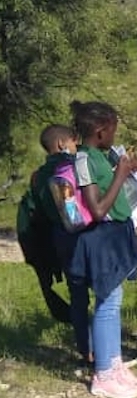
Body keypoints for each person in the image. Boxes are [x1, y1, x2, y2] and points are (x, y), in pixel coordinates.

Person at [64, 101, 137, 398]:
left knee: (114, 300)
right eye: (113, 130)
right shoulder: (85, 158)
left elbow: (103, 186)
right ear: (100, 131)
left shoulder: (98, 156)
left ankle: (113, 361)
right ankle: (103, 375)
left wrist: (122, 170)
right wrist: (121, 175)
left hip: (113, 235)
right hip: (100, 238)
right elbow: (97, 208)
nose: (115, 136)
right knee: (107, 304)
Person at [16, 125, 76, 324]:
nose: (76, 146)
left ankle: (84, 341)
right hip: (77, 233)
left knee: (75, 291)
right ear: (61, 144)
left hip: (56, 237)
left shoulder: (38, 175)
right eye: (73, 142)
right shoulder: (70, 168)